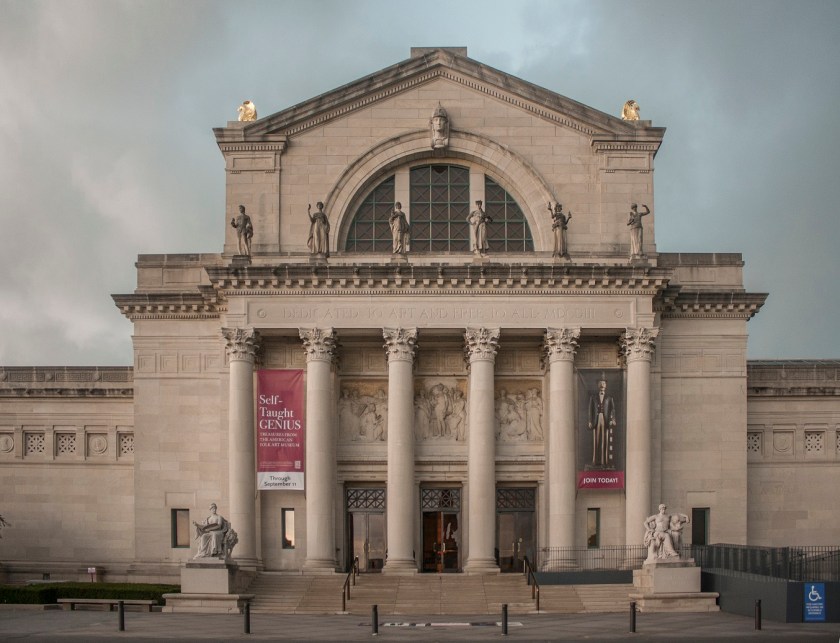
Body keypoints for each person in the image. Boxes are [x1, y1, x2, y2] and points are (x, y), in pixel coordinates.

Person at [587, 378, 617, 467]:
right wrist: (590, 420)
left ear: (606, 385)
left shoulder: (609, 398)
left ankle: (605, 462)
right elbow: (590, 410)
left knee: (605, 440)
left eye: (603, 383)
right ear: (598, 385)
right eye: (600, 383)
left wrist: (613, 419)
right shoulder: (593, 397)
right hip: (596, 420)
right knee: (596, 440)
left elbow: (613, 409)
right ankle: (595, 461)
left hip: (605, 419)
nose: (602, 385)